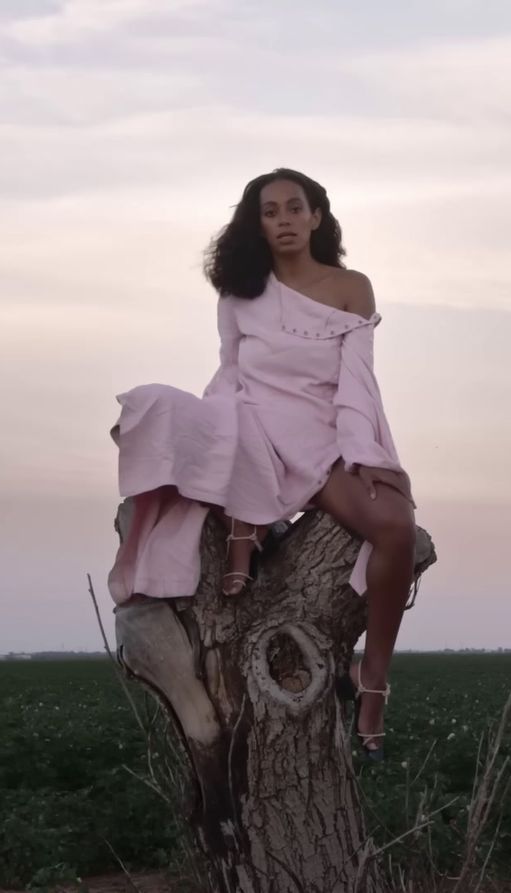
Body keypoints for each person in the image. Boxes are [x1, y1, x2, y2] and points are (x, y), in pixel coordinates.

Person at [107, 168, 419, 761]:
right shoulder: (239, 293)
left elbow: (358, 381)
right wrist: (220, 433)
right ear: (258, 224)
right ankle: (244, 525)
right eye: (269, 211)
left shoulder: (352, 286)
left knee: (397, 528)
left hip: (324, 435)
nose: (283, 221)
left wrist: (364, 452)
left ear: (316, 216)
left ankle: (372, 682)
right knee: (152, 403)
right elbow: (230, 372)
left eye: (293, 208)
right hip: (253, 422)